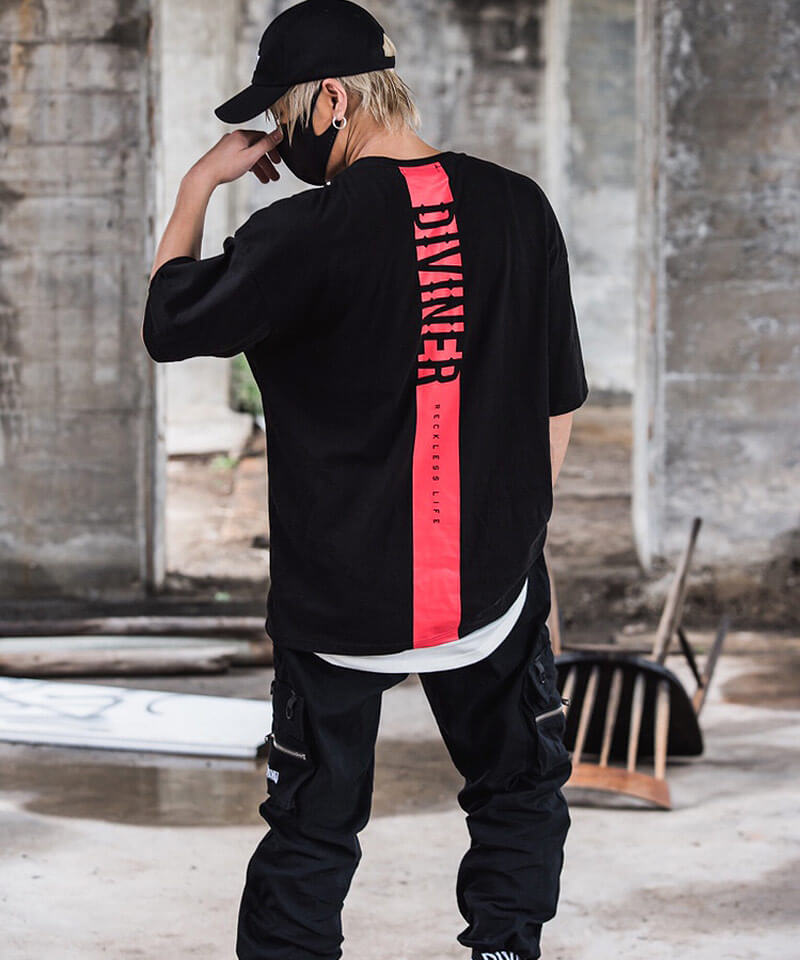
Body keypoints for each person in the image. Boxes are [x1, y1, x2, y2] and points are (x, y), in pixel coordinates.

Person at [141, 2, 589, 958]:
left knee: (313, 821)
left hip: (340, 597)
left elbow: (169, 321)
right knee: (518, 792)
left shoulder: (300, 234)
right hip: (486, 583)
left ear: (334, 100)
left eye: (284, 113)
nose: (278, 137)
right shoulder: (521, 208)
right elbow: (557, 401)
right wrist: (526, 560)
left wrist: (200, 183)